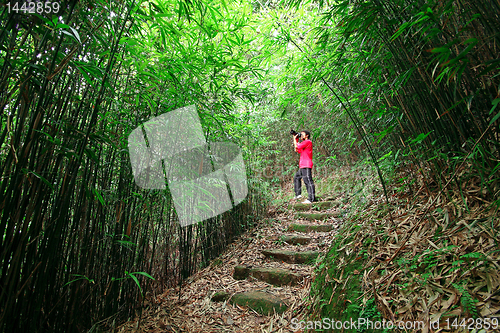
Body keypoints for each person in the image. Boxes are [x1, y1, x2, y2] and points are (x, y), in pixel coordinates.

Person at [293, 130, 316, 203]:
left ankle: (311, 198)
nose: (301, 136)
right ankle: (298, 194)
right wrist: (296, 139)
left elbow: (297, 146)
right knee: (296, 177)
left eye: (302, 134)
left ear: (307, 135)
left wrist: (294, 139)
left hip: (306, 164)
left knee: (308, 181)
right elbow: (296, 149)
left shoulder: (308, 142)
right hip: (302, 165)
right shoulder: (304, 144)